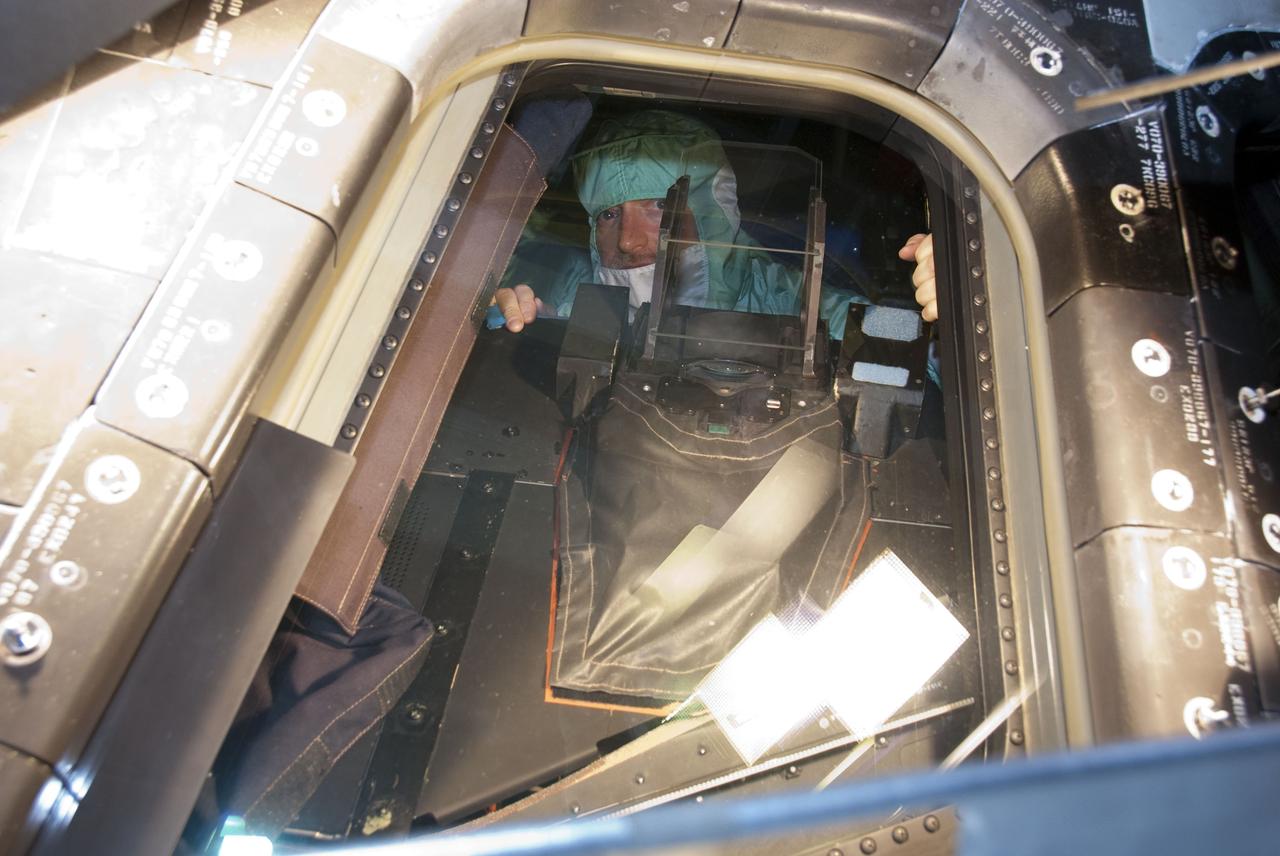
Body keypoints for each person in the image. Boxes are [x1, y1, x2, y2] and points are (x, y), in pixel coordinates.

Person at [492, 110, 938, 334]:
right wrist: (526, 327)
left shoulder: (799, 303)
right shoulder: (573, 292)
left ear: (712, 214)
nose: (627, 241)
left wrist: (943, 319)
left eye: (659, 208)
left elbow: (899, 344)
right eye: (609, 214)